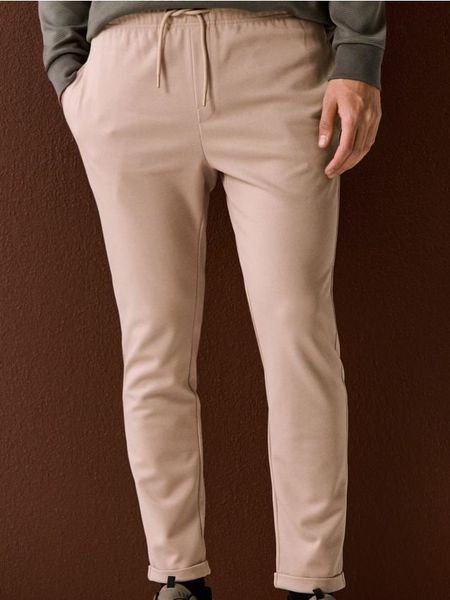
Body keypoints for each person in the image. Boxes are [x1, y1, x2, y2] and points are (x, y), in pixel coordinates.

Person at [37, 2, 386, 600]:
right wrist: (67, 69)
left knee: (299, 339)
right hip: (128, 67)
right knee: (153, 344)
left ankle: (312, 582)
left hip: (279, 60)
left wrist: (359, 54)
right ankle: (177, 578)